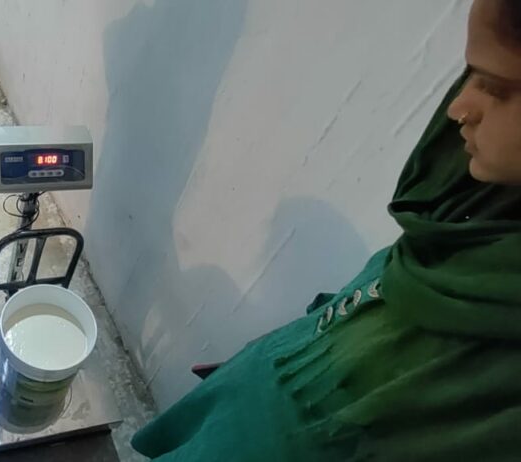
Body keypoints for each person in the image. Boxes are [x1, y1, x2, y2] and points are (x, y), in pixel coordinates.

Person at [132, 1, 521, 461]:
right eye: (466, 75)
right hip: (233, 414)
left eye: (494, 87)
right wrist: (296, 348)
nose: (458, 107)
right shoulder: (457, 219)